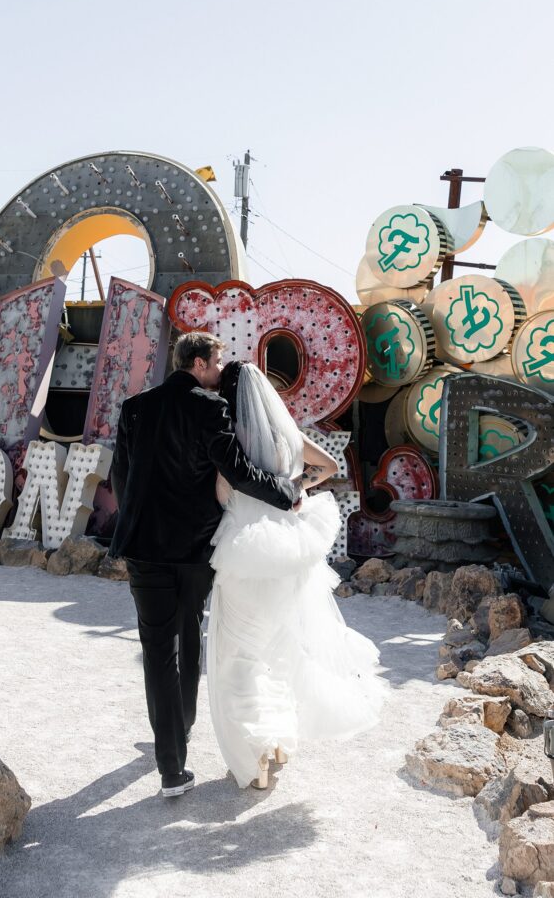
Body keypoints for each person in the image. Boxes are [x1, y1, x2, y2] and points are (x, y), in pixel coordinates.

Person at [108, 333, 302, 798]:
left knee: (158, 651)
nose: (221, 371)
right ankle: (184, 726)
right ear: (199, 363)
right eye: (217, 362)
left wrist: (134, 518)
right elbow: (235, 469)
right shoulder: (208, 407)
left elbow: (120, 474)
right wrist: (285, 494)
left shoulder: (135, 407)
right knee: (190, 639)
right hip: (193, 548)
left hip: (142, 547)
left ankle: (171, 765)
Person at [207, 360, 386, 789]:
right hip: (289, 550)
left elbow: (221, 493)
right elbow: (327, 467)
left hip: (246, 554)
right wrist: (297, 487)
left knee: (240, 656)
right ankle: (282, 743)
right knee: (281, 647)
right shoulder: (288, 434)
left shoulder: (233, 441)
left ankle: (262, 752)